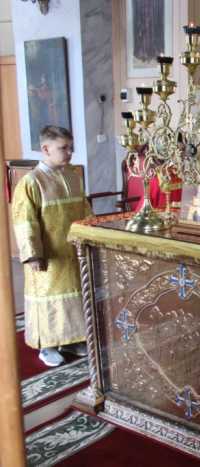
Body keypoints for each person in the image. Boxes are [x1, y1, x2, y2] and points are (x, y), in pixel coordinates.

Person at [12, 126, 92, 367]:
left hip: (72, 250)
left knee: (74, 294)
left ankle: (71, 340)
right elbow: (25, 221)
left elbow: (85, 210)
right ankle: (46, 347)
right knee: (49, 298)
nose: (69, 152)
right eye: (63, 148)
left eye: (70, 147)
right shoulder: (31, 182)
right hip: (48, 254)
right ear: (46, 149)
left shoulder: (73, 176)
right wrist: (32, 254)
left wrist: (90, 237)